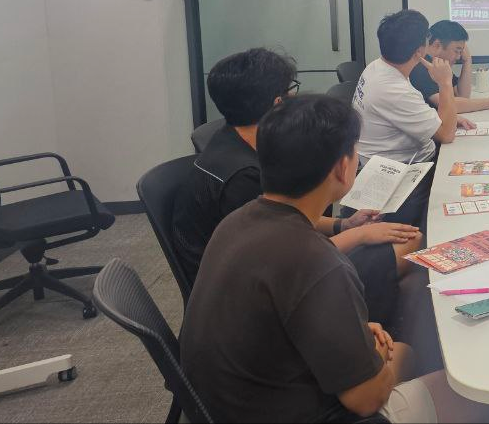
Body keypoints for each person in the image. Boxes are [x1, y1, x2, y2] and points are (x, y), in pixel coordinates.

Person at [181, 95, 489, 423]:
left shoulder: (236, 222)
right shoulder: (318, 261)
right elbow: (366, 400)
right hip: (297, 413)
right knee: (456, 383)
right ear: (342, 168)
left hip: (228, 403)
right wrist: (380, 355)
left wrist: (353, 337)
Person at [172, 48, 421, 328]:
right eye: (292, 90)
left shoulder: (235, 141)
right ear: (278, 103)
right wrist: (359, 235)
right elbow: (284, 259)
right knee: (408, 252)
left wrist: (343, 224)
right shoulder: (244, 178)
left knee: (408, 269)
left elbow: (287, 219)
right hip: (258, 301)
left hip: (272, 271)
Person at [354, 10, 473, 228]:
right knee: (467, 194)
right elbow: (446, 134)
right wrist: (445, 83)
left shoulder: (378, 67)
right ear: (419, 51)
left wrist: (444, 117)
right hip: (403, 174)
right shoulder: (393, 89)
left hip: (393, 163)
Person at [409, 19, 489, 112]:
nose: (458, 57)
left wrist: (467, 61)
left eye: (461, 52)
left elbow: (462, 95)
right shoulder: (420, 67)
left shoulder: (438, 64)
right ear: (437, 45)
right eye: (456, 51)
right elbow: (448, 105)